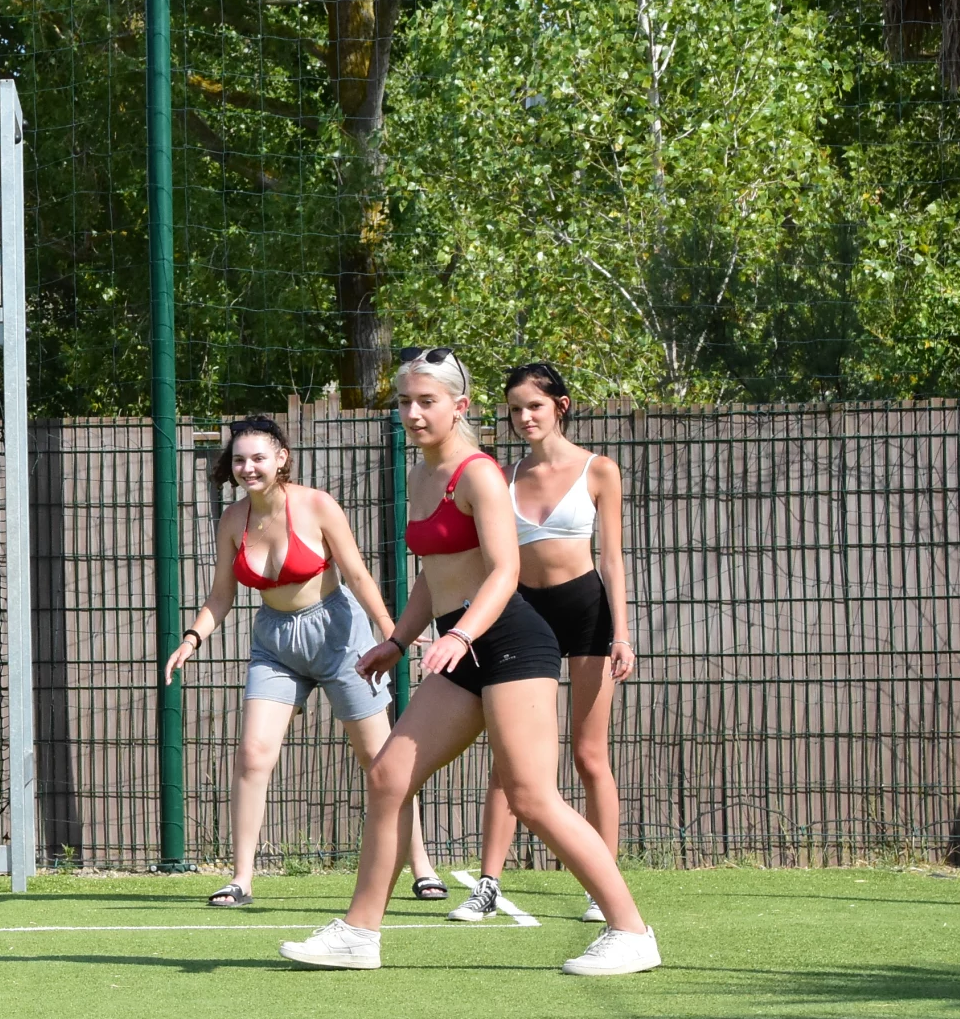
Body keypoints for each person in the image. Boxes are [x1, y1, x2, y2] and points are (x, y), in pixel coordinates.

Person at [279, 348, 659, 975]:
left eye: (426, 401)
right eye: (405, 401)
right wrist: (399, 639)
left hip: (511, 641)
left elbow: (506, 571)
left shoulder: (480, 474)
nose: (413, 413)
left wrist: (459, 635)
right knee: (388, 776)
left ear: (459, 406)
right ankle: (358, 933)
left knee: (531, 796)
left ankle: (631, 931)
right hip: (465, 642)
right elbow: (435, 576)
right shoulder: (421, 476)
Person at [163, 417, 443, 907]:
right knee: (253, 754)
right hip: (275, 643)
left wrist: (392, 631)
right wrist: (192, 638)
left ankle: (420, 865)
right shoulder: (232, 520)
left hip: (339, 636)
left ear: (281, 458)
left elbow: (357, 574)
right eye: (239, 460)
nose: (248, 468)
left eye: (258, 458)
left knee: (380, 760)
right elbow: (221, 595)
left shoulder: (316, 505)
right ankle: (241, 879)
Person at [452, 361, 635, 925]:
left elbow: (611, 559)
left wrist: (622, 633)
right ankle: (488, 884)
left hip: (586, 615)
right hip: (522, 616)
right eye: (514, 409)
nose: (524, 417)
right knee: (510, 760)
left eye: (534, 405)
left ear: (561, 406)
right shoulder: (499, 477)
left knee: (589, 754)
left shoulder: (599, 470)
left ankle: (601, 884)